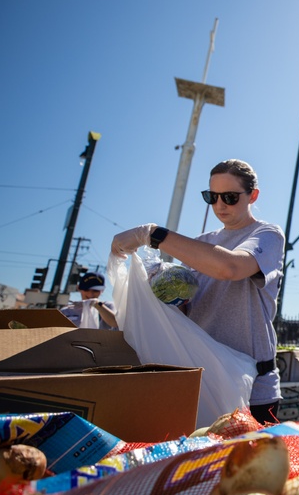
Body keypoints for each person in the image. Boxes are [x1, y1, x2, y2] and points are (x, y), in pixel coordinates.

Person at [111, 159, 285, 425]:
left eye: (229, 196)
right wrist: (159, 286)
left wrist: (152, 234)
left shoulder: (267, 235)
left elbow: (230, 267)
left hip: (253, 391)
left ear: (253, 195)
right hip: (203, 383)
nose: (219, 205)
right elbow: (184, 306)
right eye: (211, 197)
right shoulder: (203, 243)